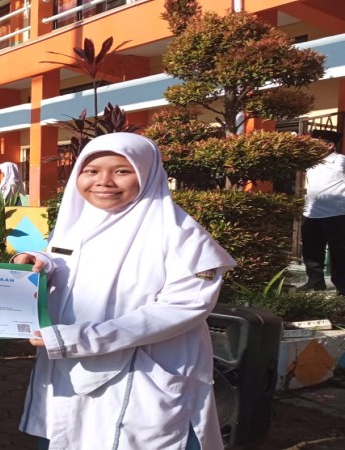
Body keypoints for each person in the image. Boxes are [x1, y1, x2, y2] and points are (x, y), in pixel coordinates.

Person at [14, 133, 236, 449]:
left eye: (121, 171)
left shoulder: (179, 234)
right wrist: (41, 262)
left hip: (142, 374)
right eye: (91, 171)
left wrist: (79, 338)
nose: (103, 181)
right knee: (71, 433)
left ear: (146, 173)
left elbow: (183, 307)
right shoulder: (79, 222)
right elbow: (70, 260)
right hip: (70, 367)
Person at [298, 129, 344, 295]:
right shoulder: (310, 162)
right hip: (311, 212)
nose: (312, 147)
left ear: (330, 145)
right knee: (311, 250)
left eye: (316, 144)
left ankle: (342, 286)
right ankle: (315, 282)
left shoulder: (341, 161)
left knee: (339, 252)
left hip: (337, 214)